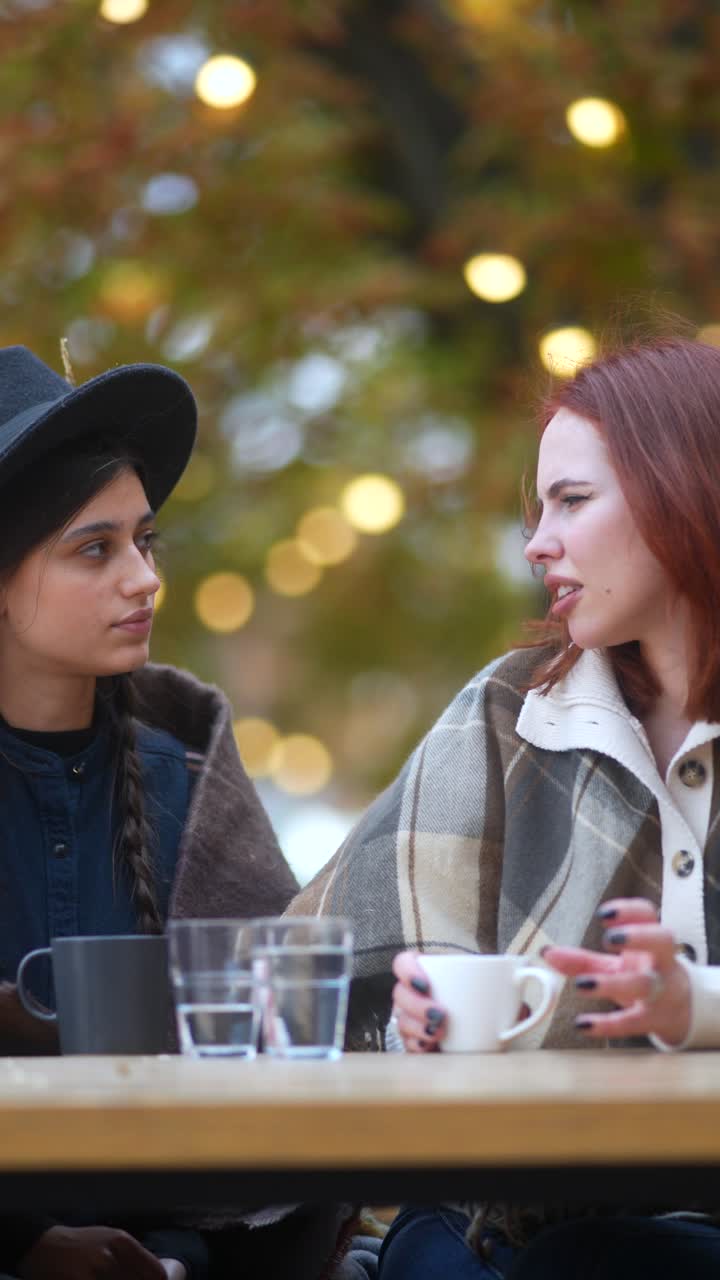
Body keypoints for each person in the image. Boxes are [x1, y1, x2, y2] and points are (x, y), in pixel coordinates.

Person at [288, 335, 720, 1277]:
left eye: (573, 500)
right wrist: (415, 1022)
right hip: (491, 1216)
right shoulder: (509, 710)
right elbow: (318, 981)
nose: (537, 544)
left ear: (685, 487)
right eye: (538, 509)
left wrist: (693, 1004)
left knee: (595, 1258)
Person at [0, 345, 353, 1280]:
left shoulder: (191, 785)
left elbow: (287, 1069)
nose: (144, 578)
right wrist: (23, 1245)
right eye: (95, 549)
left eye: (145, 541)